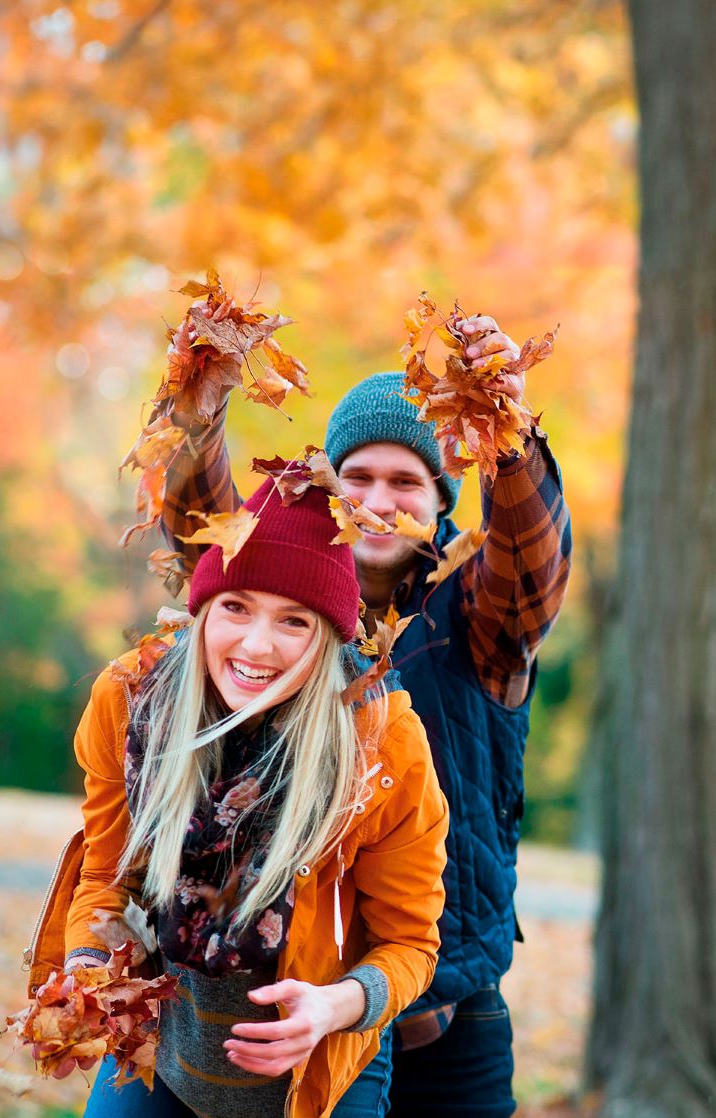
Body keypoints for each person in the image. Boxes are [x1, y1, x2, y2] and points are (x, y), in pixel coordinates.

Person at [162, 316, 573, 1116]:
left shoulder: (477, 615)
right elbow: (205, 542)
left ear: (439, 497)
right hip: (299, 1012)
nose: (378, 502)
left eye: (405, 481)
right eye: (358, 477)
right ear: (328, 484)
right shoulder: (283, 613)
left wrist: (509, 439)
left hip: (442, 1021)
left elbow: (531, 561)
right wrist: (200, 419)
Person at [26, 475, 450, 1118]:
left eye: (293, 621)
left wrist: (335, 1005)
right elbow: (107, 875)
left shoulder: (382, 747)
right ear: (202, 611)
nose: (256, 645)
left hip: (314, 1074)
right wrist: (88, 971)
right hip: (164, 1055)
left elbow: (411, 944)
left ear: (328, 635)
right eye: (235, 607)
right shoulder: (132, 705)